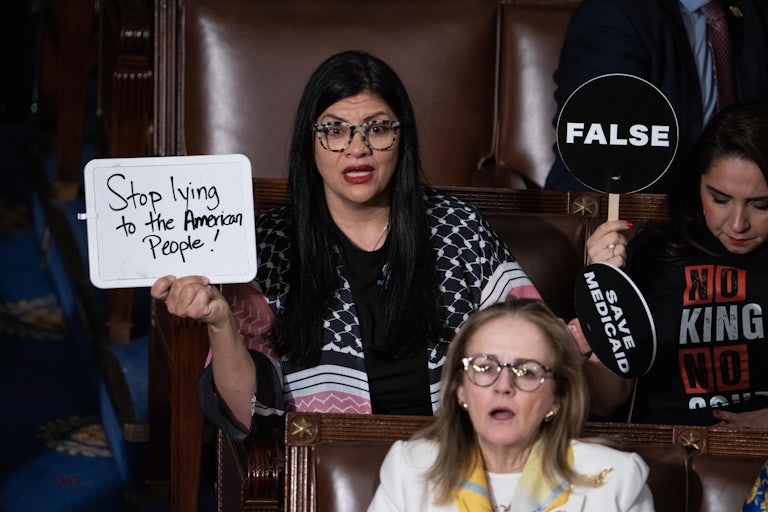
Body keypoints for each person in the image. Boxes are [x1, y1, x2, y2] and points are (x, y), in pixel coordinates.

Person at [150, 50, 540, 440]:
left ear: (402, 137)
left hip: (453, 462)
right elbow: (250, 414)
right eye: (335, 130)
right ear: (311, 141)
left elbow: (541, 354)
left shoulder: (457, 228)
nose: (358, 148)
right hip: (328, 470)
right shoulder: (268, 246)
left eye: (378, 128)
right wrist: (220, 322)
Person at [570, 100, 768, 426]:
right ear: (697, 186)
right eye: (719, 199)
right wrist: (602, 288)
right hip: (662, 453)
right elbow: (607, 402)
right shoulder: (652, 252)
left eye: (760, 205)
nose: (737, 224)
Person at [368, 296, 654, 512]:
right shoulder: (409, 470)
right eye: (484, 368)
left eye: (527, 372)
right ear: (460, 391)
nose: (503, 386)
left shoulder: (617, 480)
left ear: (557, 397)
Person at [545, 0, 768, 192]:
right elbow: (605, 156)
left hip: (734, 214)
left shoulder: (752, 9)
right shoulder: (614, 13)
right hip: (628, 210)